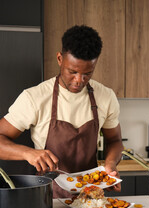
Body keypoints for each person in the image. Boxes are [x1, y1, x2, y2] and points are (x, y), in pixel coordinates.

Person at [0, 25, 123, 198]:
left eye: (87, 73)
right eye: (72, 72)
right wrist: (28, 153)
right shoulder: (34, 97)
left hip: (91, 195)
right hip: (48, 197)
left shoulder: (106, 96)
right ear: (60, 59)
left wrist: (110, 165)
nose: (79, 80)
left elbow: (115, 140)